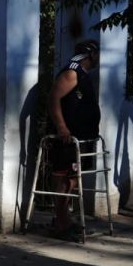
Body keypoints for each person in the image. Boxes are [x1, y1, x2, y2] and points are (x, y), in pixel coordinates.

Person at [47, 40, 101, 239]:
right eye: (97, 54)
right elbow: (53, 98)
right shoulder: (72, 72)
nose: (98, 58)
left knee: (73, 177)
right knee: (63, 176)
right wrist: (61, 126)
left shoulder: (82, 74)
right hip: (67, 139)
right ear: (91, 55)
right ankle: (60, 223)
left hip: (82, 137)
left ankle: (65, 220)